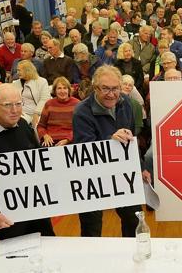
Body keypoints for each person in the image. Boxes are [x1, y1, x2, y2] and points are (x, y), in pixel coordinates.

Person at [0, 84, 55, 240]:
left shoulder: (24, 127)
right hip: (6, 217)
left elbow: (39, 162)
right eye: (8, 105)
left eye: (19, 104)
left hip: (37, 209)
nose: (15, 110)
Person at [73, 65, 145, 237]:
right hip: (91, 177)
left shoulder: (126, 102)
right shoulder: (81, 112)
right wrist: (110, 140)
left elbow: (130, 139)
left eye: (115, 88)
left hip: (121, 172)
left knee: (133, 219)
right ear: (95, 87)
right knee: (92, 226)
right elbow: (85, 149)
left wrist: (140, 166)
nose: (111, 94)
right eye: (105, 88)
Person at [37, 77, 80, 147]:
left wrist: (67, 140)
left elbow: (80, 127)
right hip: (50, 140)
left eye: (65, 88)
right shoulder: (49, 104)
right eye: (59, 88)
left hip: (71, 140)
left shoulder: (77, 104)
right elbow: (41, 126)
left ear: (69, 90)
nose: (62, 91)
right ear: (55, 91)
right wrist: (45, 135)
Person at [11, 60, 51, 127]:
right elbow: (12, 99)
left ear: (27, 70)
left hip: (37, 112)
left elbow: (44, 99)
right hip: (21, 113)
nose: (17, 73)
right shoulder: (15, 83)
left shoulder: (41, 81)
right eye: (17, 70)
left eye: (19, 70)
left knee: (37, 126)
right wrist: (17, 111)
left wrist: (37, 113)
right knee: (18, 122)